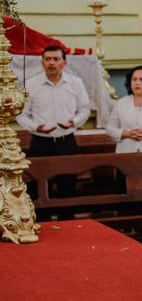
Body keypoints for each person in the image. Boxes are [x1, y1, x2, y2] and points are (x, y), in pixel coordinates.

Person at [17, 44, 90, 197]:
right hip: (40, 143)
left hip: (67, 142)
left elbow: (84, 109)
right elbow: (21, 114)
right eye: (48, 59)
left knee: (68, 187)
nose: (51, 63)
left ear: (64, 63)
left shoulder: (76, 83)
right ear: (42, 62)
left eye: (56, 59)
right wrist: (36, 127)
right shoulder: (30, 85)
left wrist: (73, 122)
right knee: (41, 190)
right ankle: (44, 221)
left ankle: (67, 219)